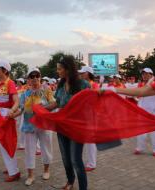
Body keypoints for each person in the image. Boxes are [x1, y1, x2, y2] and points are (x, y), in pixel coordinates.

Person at [15, 67, 56, 186]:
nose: (35, 78)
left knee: (46, 148)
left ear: (40, 77)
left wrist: (41, 109)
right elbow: (21, 109)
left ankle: (46, 170)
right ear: (28, 79)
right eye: (32, 76)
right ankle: (30, 175)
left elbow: (53, 103)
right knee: (29, 151)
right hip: (29, 126)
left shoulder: (47, 90)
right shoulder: (25, 93)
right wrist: (12, 115)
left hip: (44, 125)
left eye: (37, 76)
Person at [54, 56, 90, 190]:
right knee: (66, 158)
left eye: (60, 69)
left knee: (76, 159)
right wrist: (41, 108)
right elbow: (57, 103)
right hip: (62, 126)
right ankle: (70, 181)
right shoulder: (61, 85)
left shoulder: (83, 85)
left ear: (68, 69)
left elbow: (90, 105)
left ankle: (83, 188)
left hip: (77, 128)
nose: (58, 71)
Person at [0, 60, 21, 182]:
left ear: (5, 70)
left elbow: (16, 101)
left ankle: (14, 171)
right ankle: (11, 167)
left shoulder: (10, 83)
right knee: (2, 143)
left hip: (6, 115)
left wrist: (12, 111)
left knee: (7, 141)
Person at [133, 68, 155, 157]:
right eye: (143, 74)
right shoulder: (141, 84)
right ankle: (140, 148)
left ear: (151, 75)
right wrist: (137, 99)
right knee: (141, 131)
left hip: (154, 111)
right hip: (143, 111)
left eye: (146, 74)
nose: (144, 75)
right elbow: (138, 95)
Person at [78, 66, 99, 172]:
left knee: (90, 139)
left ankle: (91, 163)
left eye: (83, 73)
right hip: (84, 114)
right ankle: (89, 161)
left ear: (88, 74)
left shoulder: (93, 85)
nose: (81, 74)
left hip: (91, 114)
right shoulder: (83, 84)